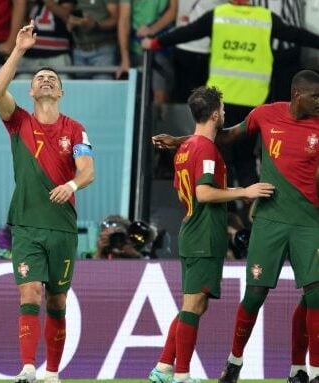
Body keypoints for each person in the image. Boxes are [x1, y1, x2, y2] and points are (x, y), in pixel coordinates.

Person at [152, 70, 319, 383]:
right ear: (298, 95)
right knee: (251, 295)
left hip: (310, 221)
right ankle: (232, 362)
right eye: (316, 97)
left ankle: (307, 370)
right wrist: (183, 141)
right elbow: (223, 135)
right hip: (267, 220)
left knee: (315, 295)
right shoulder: (266, 115)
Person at [142, 0, 319, 227]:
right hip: (253, 101)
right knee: (246, 159)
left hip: (220, 104)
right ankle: (253, 219)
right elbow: (296, 35)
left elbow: (187, 33)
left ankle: (227, 216)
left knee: (218, 156)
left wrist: (155, 41)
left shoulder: (219, 15)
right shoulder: (265, 18)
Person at [0, 20, 95, 383]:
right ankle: (27, 368)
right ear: (32, 93)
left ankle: (52, 373)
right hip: (27, 225)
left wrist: (71, 184)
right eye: (40, 79)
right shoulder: (17, 122)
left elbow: (88, 171)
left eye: (53, 79)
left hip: (62, 228)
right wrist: (19, 49)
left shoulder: (76, 129)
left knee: (57, 302)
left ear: (62, 93)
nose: (46, 80)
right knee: (30, 292)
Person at [148, 86, 274, 383]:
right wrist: (245, 191)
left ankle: (165, 367)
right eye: (224, 110)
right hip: (203, 233)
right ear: (216, 113)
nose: (226, 114)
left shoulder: (186, 147)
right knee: (192, 306)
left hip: (195, 229)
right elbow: (203, 193)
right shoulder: (205, 148)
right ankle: (181, 375)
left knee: (195, 305)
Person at [116, 0, 177, 104]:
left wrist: (152, 29)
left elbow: (173, 10)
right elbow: (124, 20)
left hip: (161, 47)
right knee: (135, 98)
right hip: (136, 49)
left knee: (160, 97)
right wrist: (125, 59)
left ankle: (158, 118)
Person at [66, 0, 119, 80]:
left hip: (102, 51)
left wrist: (96, 25)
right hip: (78, 50)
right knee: (81, 91)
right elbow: (66, 12)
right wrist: (69, 22)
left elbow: (116, 19)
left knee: (102, 90)